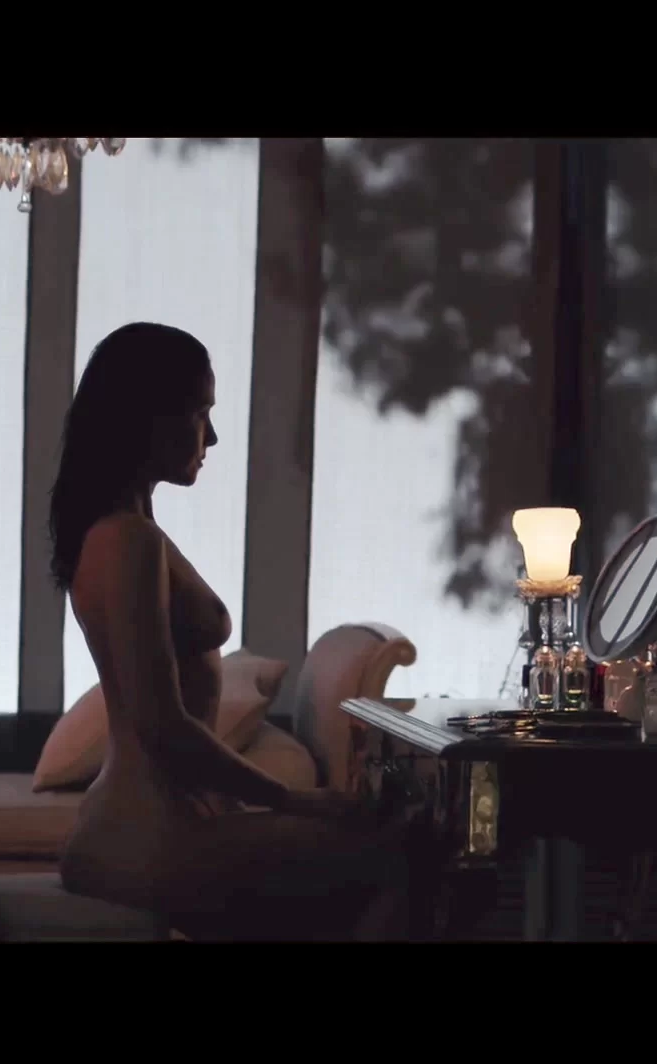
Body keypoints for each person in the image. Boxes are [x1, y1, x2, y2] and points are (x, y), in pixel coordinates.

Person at [51, 321, 415, 941]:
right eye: (199, 413)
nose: (212, 436)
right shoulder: (128, 541)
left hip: (146, 825)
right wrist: (291, 798)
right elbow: (162, 725)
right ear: (147, 418)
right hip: (146, 838)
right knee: (407, 853)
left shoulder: (127, 532)